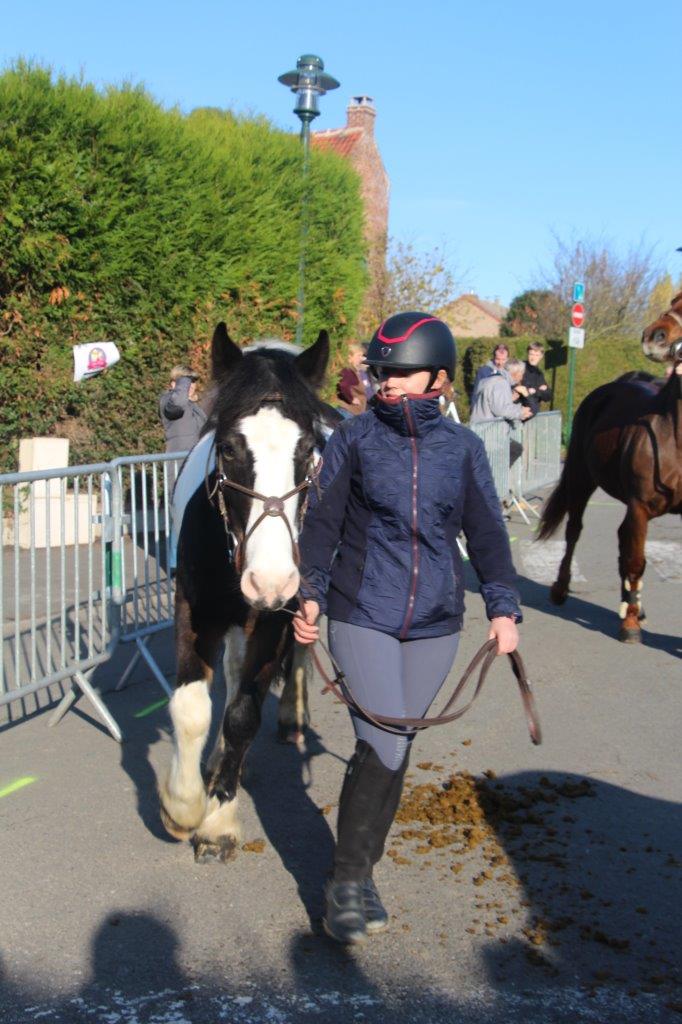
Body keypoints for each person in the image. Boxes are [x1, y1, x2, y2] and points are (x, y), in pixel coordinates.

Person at [293, 312, 522, 945]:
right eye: (379, 371)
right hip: (362, 611)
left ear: (440, 379)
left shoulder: (465, 450)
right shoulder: (355, 440)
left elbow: (488, 536)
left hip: (436, 624)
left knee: (392, 749)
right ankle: (345, 883)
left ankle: (361, 876)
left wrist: (502, 606)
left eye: (399, 372)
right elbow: (321, 528)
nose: (385, 382)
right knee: (388, 741)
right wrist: (309, 595)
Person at [159, 365, 207, 454]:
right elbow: (178, 404)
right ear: (173, 384)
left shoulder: (196, 405)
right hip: (179, 462)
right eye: (185, 382)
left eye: (193, 382)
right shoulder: (167, 400)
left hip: (198, 459)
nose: (191, 386)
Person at [336, 342, 375, 416]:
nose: (361, 358)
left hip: (353, 411)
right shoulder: (347, 371)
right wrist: (351, 399)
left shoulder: (353, 370)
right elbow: (343, 385)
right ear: (349, 357)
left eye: (361, 355)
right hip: (348, 411)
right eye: (358, 355)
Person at [520, 342, 552, 417]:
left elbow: (548, 396)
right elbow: (523, 392)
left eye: (536, 355)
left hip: (533, 413)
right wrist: (540, 390)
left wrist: (535, 391)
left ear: (541, 356)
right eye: (531, 354)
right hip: (521, 413)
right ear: (527, 354)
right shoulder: (520, 368)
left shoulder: (539, 373)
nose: (533, 358)